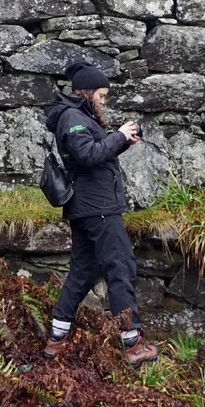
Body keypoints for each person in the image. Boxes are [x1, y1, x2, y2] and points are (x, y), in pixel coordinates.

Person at [41, 61, 159, 366]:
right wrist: (118, 135)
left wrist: (122, 143)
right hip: (98, 208)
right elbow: (87, 155)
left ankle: (57, 339)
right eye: (102, 95)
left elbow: (93, 154)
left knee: (82, 272)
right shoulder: (72, 116)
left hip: (88, 206)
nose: (103, 100)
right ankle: (133, 343)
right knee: (120, 266)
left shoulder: (76, 115)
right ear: (87, 90)